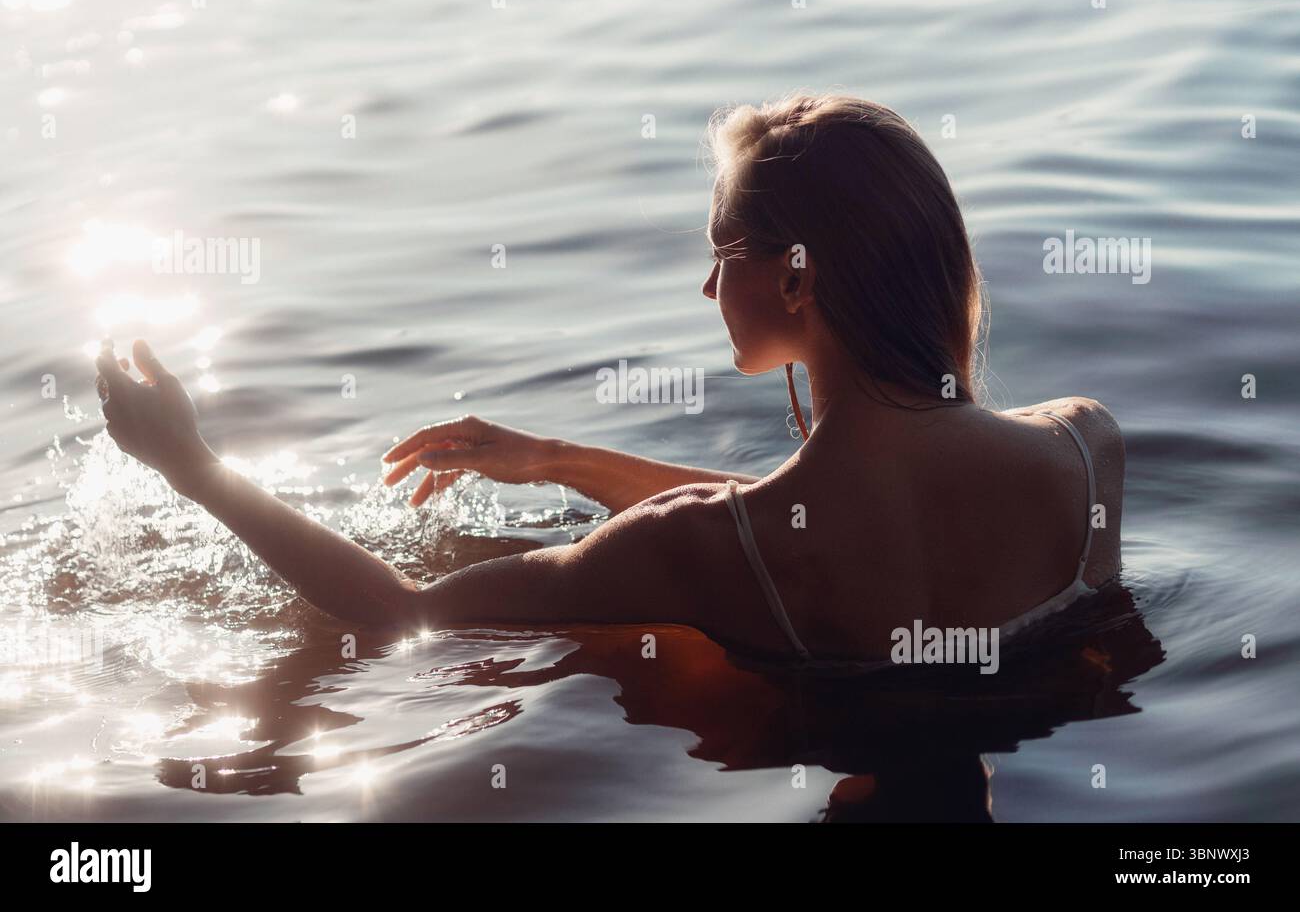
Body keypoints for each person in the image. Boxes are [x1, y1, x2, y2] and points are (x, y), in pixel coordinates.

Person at [94, 94, 1124, 664]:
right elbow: (823, 512)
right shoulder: (1084, 451)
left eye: (725, 252)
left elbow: (402, 612)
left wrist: (191, 464)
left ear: (796, 278)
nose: (706, 283)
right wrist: (557, 460)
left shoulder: (717, 552)